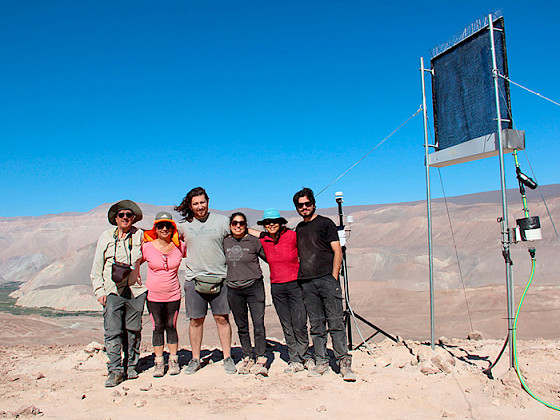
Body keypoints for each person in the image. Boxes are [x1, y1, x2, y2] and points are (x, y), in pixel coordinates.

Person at [293, 188, 356, 382]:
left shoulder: (325, 223)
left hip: (327, 280)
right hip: (307, 283)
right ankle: (321, 362)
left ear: (313, 204)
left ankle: (344, 363)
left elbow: (337, 251)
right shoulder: (299, 229)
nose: (304, 208)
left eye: (307, 204)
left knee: (336, 322)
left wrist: (334, 277)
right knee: (317, 325)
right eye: (300, 205)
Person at [174, 187, 236, 375]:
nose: (200, 206)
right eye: (196, 204)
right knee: (195, 321)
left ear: (208, 202)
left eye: (202, 202)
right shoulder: (184, 226)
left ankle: (227, 357)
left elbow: (239, 233)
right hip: (194, 279)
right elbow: (164, 238)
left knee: (222, 318)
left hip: (220, 278)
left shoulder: (222, 221)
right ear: (190, 206)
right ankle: (195, 358)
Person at [91, 200, 147, 387]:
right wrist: (100, 291)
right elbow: (97, 267)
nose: (125, 218)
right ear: (115, 219)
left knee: (133, 330)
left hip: (135, 291)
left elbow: (163, 239)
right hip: (112, 291)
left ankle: (131, 365)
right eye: (121, 215)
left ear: (133, 218)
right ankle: (115, 371)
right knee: (113, 332)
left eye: (128, 215)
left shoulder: (140, 236)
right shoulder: (106, 237)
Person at [257, 208, 313, 374]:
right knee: (286, 324)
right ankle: (294, 359)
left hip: (296, 284)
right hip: (277, 286)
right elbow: (248, 232)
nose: (271, 224)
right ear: (264, 225)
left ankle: (306, 357)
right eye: (267, 222)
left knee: (300, 322)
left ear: (281, 223)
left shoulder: (292, 235)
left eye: (274, 221)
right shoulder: (264, 239)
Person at [142, 212, 186, 377]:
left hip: (173, 294)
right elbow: (134, 263)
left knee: (171, 326)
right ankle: (159, 362)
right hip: (153, 295)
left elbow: (196, 254)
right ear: (155, 228)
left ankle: (173, 360)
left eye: (168, 226)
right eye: (160, 226)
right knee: (157, 327)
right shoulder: (147, 247)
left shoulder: (180, 246)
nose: (164, 229)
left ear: (172, 228)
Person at [224, 212, 268, 376]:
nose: (238, 226)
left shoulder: (254, 242)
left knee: (258, 323)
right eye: (235, 223)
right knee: (241, 325)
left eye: (241, 223)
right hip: (234, 289)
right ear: (230, 225)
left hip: (254, 286)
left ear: (246, 225)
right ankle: (248, 356)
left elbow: (270, 258)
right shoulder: (225, 242)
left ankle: (261, 358)